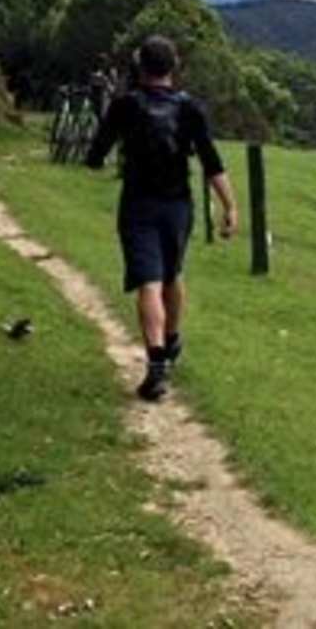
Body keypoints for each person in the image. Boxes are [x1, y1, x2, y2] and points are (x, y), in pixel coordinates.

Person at [85, 35, 239, 401]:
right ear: (174, 67)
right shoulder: (189, 108)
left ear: (139, 66)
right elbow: (211, 161)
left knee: (148, 283)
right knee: (172, 274)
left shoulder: (124, 105)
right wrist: (230, 207)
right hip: (178, 206)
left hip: (138, 204)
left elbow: (96, 155)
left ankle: (156, 365)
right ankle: (170, 341)